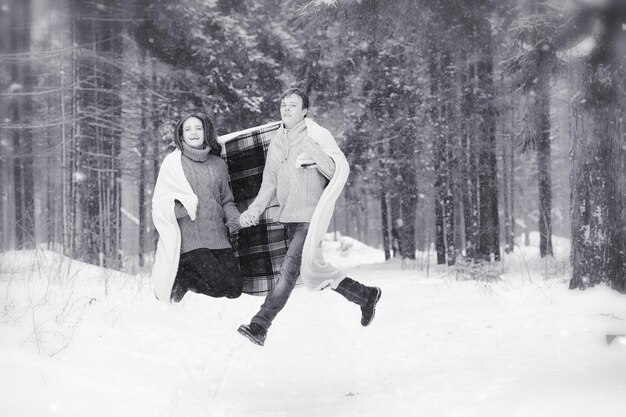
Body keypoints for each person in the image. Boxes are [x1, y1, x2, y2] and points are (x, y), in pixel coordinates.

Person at [237, 88, 382, 346]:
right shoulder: (276, 141)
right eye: (283, 105)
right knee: (314, 271)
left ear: (304, 111)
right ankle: (366, 295)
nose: (286, 109)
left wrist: (313, 152)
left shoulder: (317, 135)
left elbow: (335, 170)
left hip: (310, 216)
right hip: (288, 215)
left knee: (290, 269)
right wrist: (254, 210)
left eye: (293, 105)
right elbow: (268, 183)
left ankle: (260, 325)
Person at [151, 112, 243, 303]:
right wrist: (180, 208)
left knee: (234, 289)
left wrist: (235, 219)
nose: (193, 133)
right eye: (188, 129)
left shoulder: (218, 164)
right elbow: (160, 202)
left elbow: (226, 199)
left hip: (218, 237)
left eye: (198, 128)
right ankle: (182, 275)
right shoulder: (174, 163)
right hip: (191, 240)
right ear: (181, 134)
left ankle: (185, 276)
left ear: (205, 131)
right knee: (218, 286)